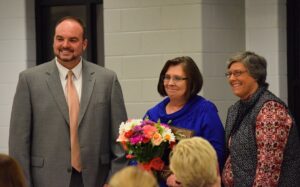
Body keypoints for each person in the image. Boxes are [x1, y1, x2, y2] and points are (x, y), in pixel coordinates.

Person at [9, 16, 128, 187]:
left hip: (96, 179)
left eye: (73, 40)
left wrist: (114, 180)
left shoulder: (107, 80)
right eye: (60, 39)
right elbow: (18, 143)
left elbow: (120, 139)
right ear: (53, 41)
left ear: (84, 44)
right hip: (45, 179)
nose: (65, 45)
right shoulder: (29, 80)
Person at [222, 51, 300, 186]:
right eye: (229, 74)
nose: (231, 78)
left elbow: (268, 170)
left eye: (238, 73)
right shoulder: (235, 109)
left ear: (255, 75)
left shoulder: (271, 110)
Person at [144, 56, 225, 187]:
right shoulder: (153, 114)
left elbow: (216, 154)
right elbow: (142, 156)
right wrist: (167, 175)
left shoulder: (205, 110)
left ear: (191, 81)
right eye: (167, 77)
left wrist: (184, 177)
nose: (170, 83)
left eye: (177, 78)